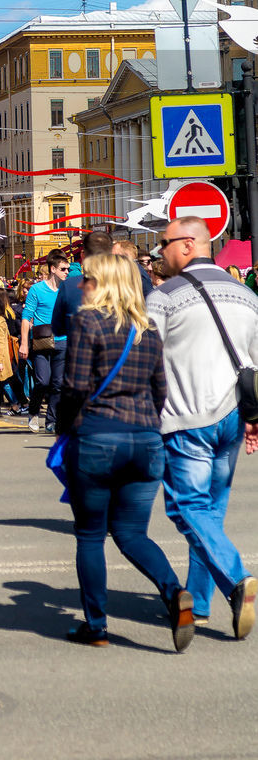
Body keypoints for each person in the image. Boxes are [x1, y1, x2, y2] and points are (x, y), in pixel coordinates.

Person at [58, 253, 194, 651]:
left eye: (87, 279)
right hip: (146, 440)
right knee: (133, 533)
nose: (80, 285)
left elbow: (76, 385)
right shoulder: (146, 327)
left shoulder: (86, 321)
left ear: (103, 283)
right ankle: (174, 594)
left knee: (89, 535)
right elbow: (161, 390)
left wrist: (64, 430)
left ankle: (96, 626)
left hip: (99, 437)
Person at [147, 218, 258, 639]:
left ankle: (236, 580)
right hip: (232, 416)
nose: (160, 253)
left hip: (187, 417)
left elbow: (144, 357)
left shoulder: (164, 296)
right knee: (210, 513)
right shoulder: (247, 295)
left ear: (189, 244)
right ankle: (201, 601)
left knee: (187, 508)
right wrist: (253, 417)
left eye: (164, 245)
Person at [19, 249, 69, 434]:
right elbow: (26, 316)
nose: (67, 272)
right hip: (41, 341)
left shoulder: (67, 289)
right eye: (63, 269)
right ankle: (33, 412)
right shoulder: (37, 289)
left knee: (58, 384)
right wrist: (24, 343)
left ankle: (51, 420)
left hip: (63, 341)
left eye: (68, 269)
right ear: (53, 269)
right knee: (42, 381)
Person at [52, 231, 113, 343]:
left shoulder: (70, 285)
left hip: (80, 349)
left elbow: (57, 328)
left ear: (83, 255)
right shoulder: (124, 284)